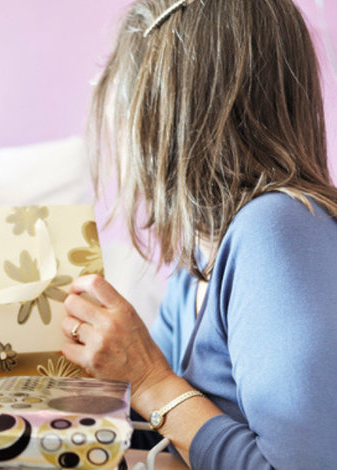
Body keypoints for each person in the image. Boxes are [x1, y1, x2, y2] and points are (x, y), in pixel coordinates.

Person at [60, 0, 337, 468]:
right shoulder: (198, 260)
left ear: (160, 110)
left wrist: (150, 380)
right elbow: (159, 434)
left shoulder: (276, 230)